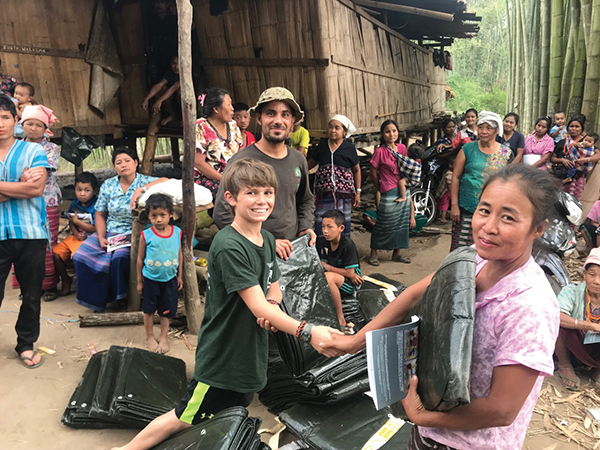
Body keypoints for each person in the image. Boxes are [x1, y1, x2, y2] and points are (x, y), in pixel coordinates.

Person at [322, 164, 560, 450]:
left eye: (508, 218)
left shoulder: (530, 305)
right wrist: (354, 342)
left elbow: (502, 409)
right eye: (484, 211)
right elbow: (413, 294)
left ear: (538, 229)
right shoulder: (473, 259)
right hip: (429, 431)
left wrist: (426, 416)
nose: (489, 226)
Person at [110, 158, 340, 450]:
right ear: (231, 198)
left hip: (249, 355)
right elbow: (257, 306)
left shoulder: (267, 239)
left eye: (268, 193)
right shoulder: (229, 245)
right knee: (184, 416)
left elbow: (273, 287)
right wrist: (308, 331)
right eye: (252, 193)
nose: (262, 200)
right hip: (223, 358)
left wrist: (271, 304)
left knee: (229, 418)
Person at [213, 87, 316, 261]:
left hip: (291, 251)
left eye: (285, 115)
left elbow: (305, 198)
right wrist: (263, 241)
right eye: (270, 113)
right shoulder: (242, 161)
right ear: (259, 118)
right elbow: (222, 213)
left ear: (292, 121)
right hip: (253, 254)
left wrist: (305, 227)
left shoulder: (298, 159)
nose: (278, 120)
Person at [73, 146, 168, 312]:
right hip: (110, 231)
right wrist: (101, 236)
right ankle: (96, 300)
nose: (123, 165)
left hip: (133, 233)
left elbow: (166, 180)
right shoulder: (108, 185)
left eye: (127, 161)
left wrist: (141, 190)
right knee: (81, 256)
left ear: (136, 163)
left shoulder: (144, 182)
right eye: (118, 162)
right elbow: (100, 214)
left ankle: (120, 298)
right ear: (114, 166)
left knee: (119, 258)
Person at [0, 94, 50, 368]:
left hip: (31, 234)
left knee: (31, 294)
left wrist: (21, 186)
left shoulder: (34, 151)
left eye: (5, 117)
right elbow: (26, 189)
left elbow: (36, 189)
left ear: (15, 120)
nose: (0, 124)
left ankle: (26, 344)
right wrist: (17, 184)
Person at [13, 105, 61, 301]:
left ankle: (48, 286)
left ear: (45, 128)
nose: (33, 128)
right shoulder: (14, 146)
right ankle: (27, 286)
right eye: (29, 124)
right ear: (22, 125)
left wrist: (22, 175)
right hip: (20, 201)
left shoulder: (51, 148)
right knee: (22, 242)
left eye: (38, 125)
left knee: (46, 242)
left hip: (46, 200)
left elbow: (41, 171)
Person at [450, 111, 511, 251]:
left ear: (497, 130)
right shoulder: (467, 149)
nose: (483, 131)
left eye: (488, 128)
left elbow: (509, 183)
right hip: (467, 206)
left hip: (494, 210)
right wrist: (454, 205)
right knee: (460, 249)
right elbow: (456, 177)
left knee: (487, 247)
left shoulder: (505, 153)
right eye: (481, 127)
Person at [137, 194, 182, 354]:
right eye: (153, 216)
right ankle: (149, 337)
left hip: (170, 279)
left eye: (163, 215)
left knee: (167, 310)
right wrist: (139, 281)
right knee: (148, 310)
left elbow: (179, 255)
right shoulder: (146, 235)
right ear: (148, 216)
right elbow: (140, 258)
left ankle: (163, 337)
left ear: (171, 214)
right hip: (150, 279)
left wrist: (180, 276)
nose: (158, 219)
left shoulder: (177, 232)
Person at [368, 119, 416, 266]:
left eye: (394, 131)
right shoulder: (379, 152)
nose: (391, 134)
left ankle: (397, 253)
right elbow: (373, 173)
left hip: (403, 190)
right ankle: (373, 253)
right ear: (382, 134)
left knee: (401, 223)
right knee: (383, 223)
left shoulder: (402, 148)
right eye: (387, 131)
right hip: (388, 191)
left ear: (398, 132)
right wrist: (380, 188)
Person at [308, 114, 360, 237]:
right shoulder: (322, 145)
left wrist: (358, 192)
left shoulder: (349, 148)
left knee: (342, 224)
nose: (333, 131)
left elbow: (356, 170)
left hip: (344, 194)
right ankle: (322, 253)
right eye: (330, 127)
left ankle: (342, 253)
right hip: (324, 194)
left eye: (337, 128)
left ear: (345, 131)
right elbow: (311, 163)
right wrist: (298, 171)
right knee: (322, 224)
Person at [554, 248, 600, 389]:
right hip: (572, 347)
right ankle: (565, 365)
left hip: (595, 349)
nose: (597, 281)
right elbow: (558, 316)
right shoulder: (571, 291)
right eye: (592, 274)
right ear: (584, 275)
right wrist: (590, 326)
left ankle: (597, 369)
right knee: (557, 323)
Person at [53, 172, 98, 296]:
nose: (82, 194)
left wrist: (78, 221)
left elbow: (95, 228)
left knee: (77, 257)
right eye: (79, 190)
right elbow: (70, 220)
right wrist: (76, 233)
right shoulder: (74, 204)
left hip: (91, 239)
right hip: (76, 237)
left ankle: (84, 285)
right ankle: (66, 279)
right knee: (56, 254)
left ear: (94, 191)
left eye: (86, 190)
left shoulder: (97, 204)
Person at [317, 210, 363, 328]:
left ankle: (340, 318)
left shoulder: (347, 245)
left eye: (329, 227)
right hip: (337, 278)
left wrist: (327, 267)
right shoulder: (323, 242)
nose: (325, 231)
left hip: (350, 283)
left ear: (341, 228)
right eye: (323, 227)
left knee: (328, 277)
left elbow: (350, 273)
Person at [194, 88, 243, 196]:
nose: (232, 109)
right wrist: (225, 179)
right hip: (207, 178)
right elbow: (198, 163)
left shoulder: (233, 125)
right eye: (229, 105)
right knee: (235, 194)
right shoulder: (200, 127)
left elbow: (241, 151)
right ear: (216, 109)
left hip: (232, 176)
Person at [550, 116, 600, 199]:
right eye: (571, 126)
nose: (574, 129)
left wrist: (585, 160)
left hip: (578, 177)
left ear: (581, 129)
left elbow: (598, 155)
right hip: (562, 176)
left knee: (574, 201)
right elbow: (552, 159)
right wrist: (562, 160)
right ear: (568, 128)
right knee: (559, 200)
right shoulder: (562, 142)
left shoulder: (586, 143)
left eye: (577, 126)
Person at [142, 55, 180, 126]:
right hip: (174, 101)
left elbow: (174, 87)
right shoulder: (170, 73)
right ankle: (173, 115)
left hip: (185, 103)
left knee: (180, 91)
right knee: (162, 90)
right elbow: (159, 85)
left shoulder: (187, 73)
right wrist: (147, 99)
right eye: (174, 63)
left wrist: (160, 100)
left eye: (179, 63)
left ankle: (184, 118)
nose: (176, 67)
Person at [436, 157, 454, 224]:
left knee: (439, 203)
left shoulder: (446, 172)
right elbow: (449, 184)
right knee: (445, 204)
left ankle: (436, 216)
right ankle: (443, 218)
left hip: (441, 191)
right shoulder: (450, 174)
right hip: (446, 192)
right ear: (450, 165)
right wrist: (452, 193)